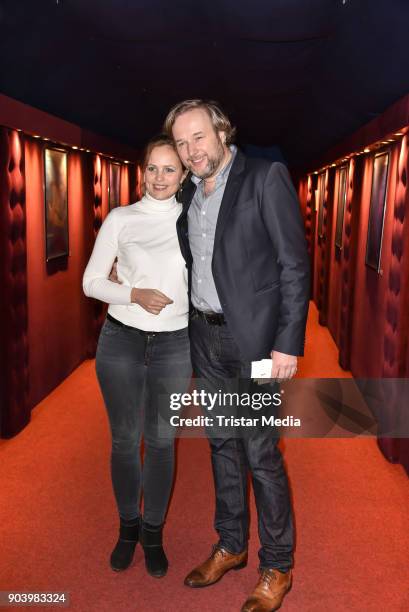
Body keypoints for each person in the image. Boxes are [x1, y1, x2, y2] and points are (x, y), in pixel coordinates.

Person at [163, 100, 310, 611]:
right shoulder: (187, 193)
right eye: (182, 143)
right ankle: (230, 545)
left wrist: (288, 342)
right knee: (221, 445)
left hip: (256, 346)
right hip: (205, 338)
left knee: (261, 455)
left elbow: (294, 264)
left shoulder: (265, 177)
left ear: (221, 131)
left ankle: (277, 565)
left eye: (198, 137)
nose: (190, 151)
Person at [82, 135, 191, 578]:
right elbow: (91, 282)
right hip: (122, 340)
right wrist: (133, 292)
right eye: (153, 168)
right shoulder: (120, 219)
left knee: (162, 442)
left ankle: (153, 533)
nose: (160, 178)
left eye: (170, 169)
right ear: (141, 170)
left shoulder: (194, 219)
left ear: (184, 174)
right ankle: (127, 528)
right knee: (125, 440)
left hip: (175, 344)